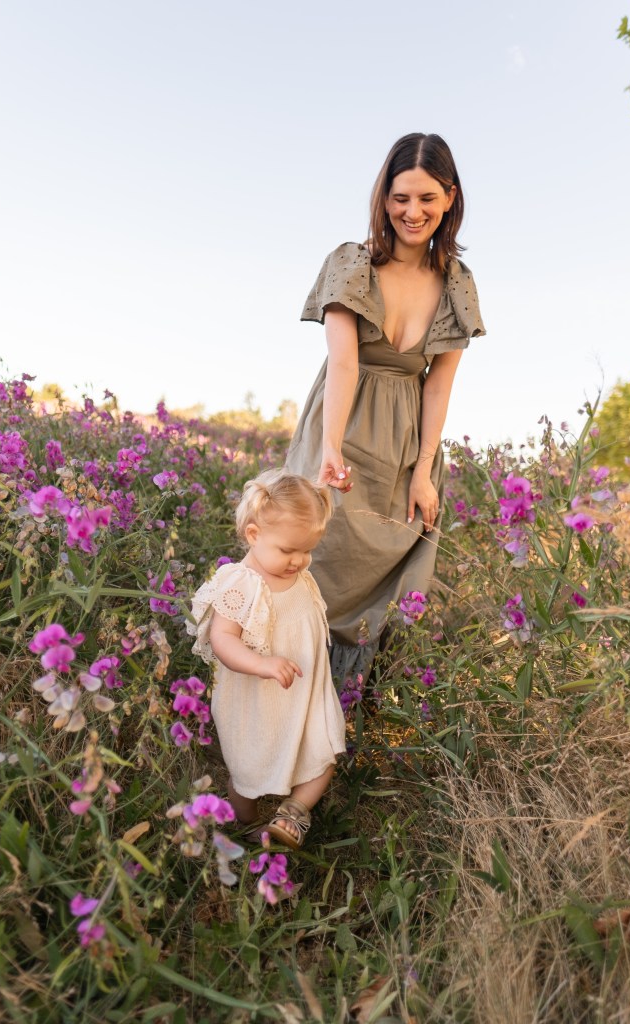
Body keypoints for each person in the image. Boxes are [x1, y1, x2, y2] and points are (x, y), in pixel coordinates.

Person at [284, 132, 486, 682]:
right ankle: (282, 689)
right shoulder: (353, 262)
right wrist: (329, 450)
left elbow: (439, 384)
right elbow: (344, 364)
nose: (412, 212)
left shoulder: (456, 284)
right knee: (314, 550)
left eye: (426, 198)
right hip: (341, 423)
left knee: (393, 572)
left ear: (449, 197)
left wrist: (424, 472)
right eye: (400, 198)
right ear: (383, 196)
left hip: (406, 446)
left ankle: (349, 714)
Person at [187, 469, 346, 849]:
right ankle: (245, 823)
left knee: (324, 754)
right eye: (288, 551)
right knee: (249, 775)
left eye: (307, 550)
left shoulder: (301, 576)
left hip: (304, 694)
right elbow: (222, 638)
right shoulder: (241, 583)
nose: (299, 561)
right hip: (257, 703)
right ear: (254, 535)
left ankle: (293, 811)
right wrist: (262, 664)